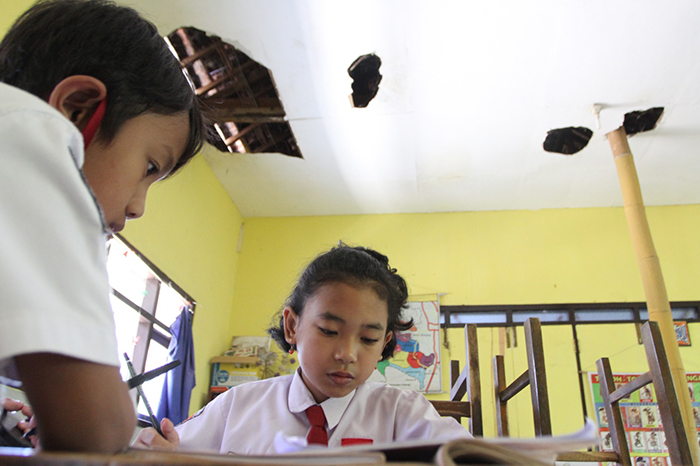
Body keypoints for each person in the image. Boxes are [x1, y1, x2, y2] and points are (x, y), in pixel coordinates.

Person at [0, 0, 204, 453]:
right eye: (149, 166)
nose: (138, 209)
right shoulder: (32, 134)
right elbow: (98, 429)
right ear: (76, 109)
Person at [134, 244, 472, 454]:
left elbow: (468, 454)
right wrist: (155, 451)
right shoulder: (235, 408)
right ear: (292, 326)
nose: (347, 353)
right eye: (328, 330)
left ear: (384, 343)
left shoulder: (402, 413)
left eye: (368, 339)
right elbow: (173, 451)